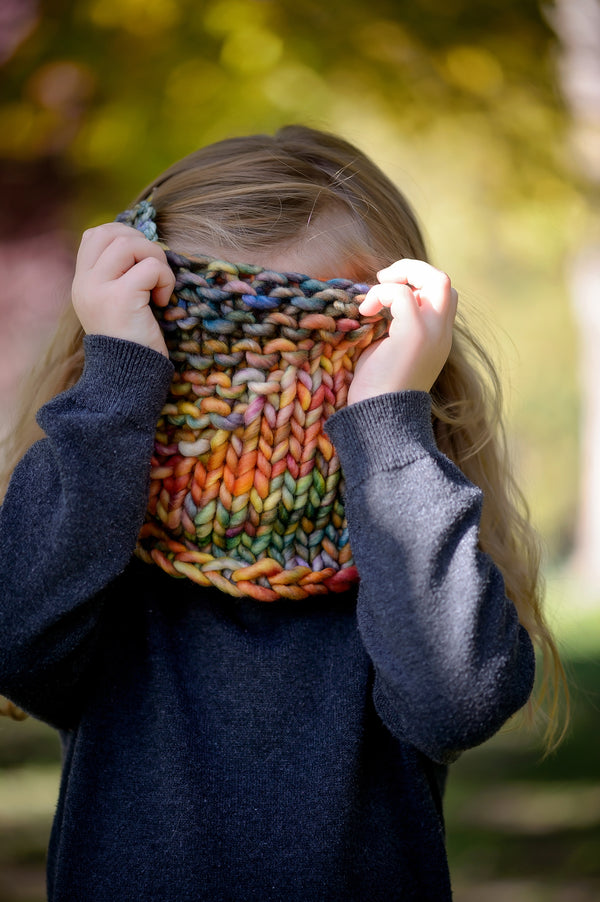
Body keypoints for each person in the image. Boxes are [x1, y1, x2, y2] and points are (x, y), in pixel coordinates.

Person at [0, 125, 565, 901]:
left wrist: (390, 433)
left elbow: (456, 702)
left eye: (317, 356)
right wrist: (116, 391)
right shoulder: (101, 557)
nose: (261, 400)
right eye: (202, 360)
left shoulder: (407, 555)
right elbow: (15, 644)